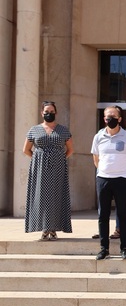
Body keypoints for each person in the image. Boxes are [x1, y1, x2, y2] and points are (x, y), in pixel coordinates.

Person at [91, 106, 126, 260]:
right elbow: (96, 159)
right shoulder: (98, 136)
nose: (109, 119)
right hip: (103, 179)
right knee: (103, 215)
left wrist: (122, 171)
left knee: (123, 214)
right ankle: (104, 248)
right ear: (104, 119)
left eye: (113, 116)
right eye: (107, 117)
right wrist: (106, 171)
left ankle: (125, 248)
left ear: (119, 119)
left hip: (122, 180)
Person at [23, 101, 73, 241]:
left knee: (57, 196)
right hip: (39, 169)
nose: (48, 114)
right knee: (41, 197)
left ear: (56, 113)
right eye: (46, 111)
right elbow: (26, 149)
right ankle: (44, 228)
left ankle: (54, 229)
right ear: (41, 113)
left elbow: (70, 149)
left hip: (58, 168)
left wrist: (60, 159)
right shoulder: (34, 129)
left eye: (51, 111)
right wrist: (37, 159)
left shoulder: (63, 130)